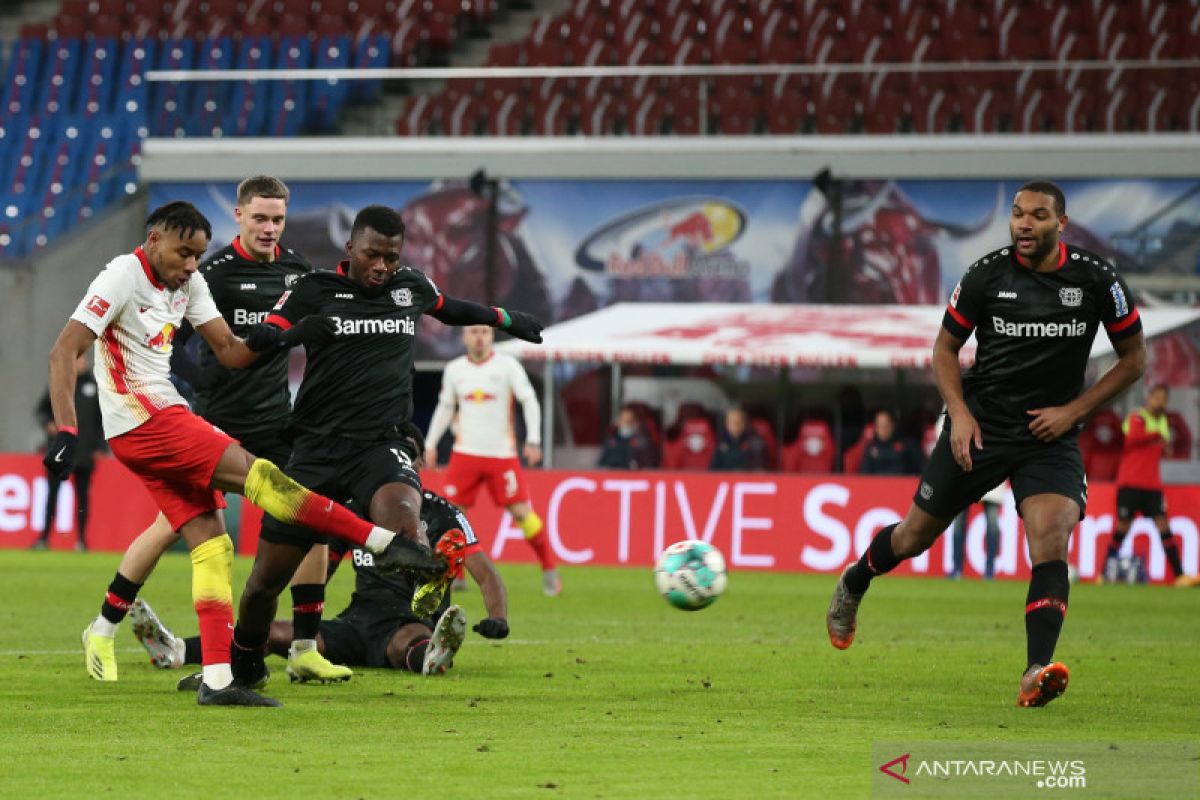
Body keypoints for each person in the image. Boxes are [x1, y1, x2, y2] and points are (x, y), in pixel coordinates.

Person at [46, 200, 446, 707]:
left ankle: (215, 680)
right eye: (182, 253)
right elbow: (64, 350)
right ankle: (385, 542)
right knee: (272, 485)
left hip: (162, 419)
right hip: (151, 419)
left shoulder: (190, 283)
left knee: (214, 546)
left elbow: (233, 350)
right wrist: (66, 430)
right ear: (153, 242)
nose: (191, 265)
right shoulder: (123, 274)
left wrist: (295, 334)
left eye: (196, 255)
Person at [825, 180, 1147, 708]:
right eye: (1018, 214)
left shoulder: (1096, 279)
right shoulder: (985, 274)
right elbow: (945, 350)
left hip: (1051, 432)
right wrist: (960, 415)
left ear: (1060, 223)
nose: (1023, 224)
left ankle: (1034, 671)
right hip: (981, 426)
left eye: (1037, 216)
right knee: (911, 538)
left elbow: (1134, 360)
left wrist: (1074, 411)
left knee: (1051, 536)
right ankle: (857, 579)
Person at [227, 204, 543, 692]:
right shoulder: (315, 288)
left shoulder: (409, 285)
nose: (381, 267)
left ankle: (416, 565)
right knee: (265, 582)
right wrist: (275, 335)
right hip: (314, 449)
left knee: (401, 507)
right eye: (373, 255)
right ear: (350, 248)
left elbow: (452, 307)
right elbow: (272, 327)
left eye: (391, 258)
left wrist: (506, 319)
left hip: (382, 442)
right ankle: (243, 665)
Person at [83, 175, 352, 687]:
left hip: (274, 419)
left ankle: (302, 648)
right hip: (215, 420)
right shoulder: (212, 272)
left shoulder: (297, 272)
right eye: (260, 219)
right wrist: (192, 374)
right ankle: (106, 624)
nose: (269, 228)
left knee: (308, 514)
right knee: (171, 527)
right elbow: (169, 336)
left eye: (277, 219)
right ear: (239, 216)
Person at [131, 429, 510, 680]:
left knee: (405, 644)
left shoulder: (443, 513)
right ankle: (177, 650)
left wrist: (498, 618)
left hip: (407, 621)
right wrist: (303, 619)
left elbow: (485, 573)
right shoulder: (360, 507)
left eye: (405, 458)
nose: (396, 466)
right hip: (355, 623)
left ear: (419, 465)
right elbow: (323, 566)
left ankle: (432, 656)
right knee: (276, 633)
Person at [425, 323, 561, 596]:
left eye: (485, 332)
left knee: (522, 514)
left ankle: (549, 570)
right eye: (474, 332)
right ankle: (458, 575)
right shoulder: (455, 370)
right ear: (464, 337)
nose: (479, 337)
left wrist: (533, 439)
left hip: (501, 454)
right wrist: (430, 442)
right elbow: (446, 406)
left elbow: (529, 399)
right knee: (453, 515)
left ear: (492, 336)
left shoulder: (507, 366)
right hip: (465, 453)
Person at [1105, 385, 1195, 587]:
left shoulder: (1162, 421)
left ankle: (1180, 576)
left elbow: (1160, 448)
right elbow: (1133, 439)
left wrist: (1165, 446)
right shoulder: (1137, 417)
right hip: (1130, 482)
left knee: (1164, 526)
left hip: (1152, 485)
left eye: (1164, 398)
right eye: (1157, 397)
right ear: (1149, 397)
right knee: (1123, 527)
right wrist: (1158, 438)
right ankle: (1105, 572)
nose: (1160, 402)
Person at [34, 352, 104, 551]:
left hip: (84, 453)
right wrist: (47, 423)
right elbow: (42, 410)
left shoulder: (96, 386)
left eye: (82, 359)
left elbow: (102, 420)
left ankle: (81, 540)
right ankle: (44, 538)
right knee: (52, 495)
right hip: (60, 450)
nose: (79, 363)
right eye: (76, 359)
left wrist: (100, 446)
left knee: (82, 497)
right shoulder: (60, 383)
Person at [948, 481, 1005, 580]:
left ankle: (990, 570)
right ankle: (956, 568)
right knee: (958, 524)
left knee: (992, 526)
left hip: (993, 476)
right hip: (966, 477)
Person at [858, 409, 924, 475]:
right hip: (878, 484)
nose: (883, 428)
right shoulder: (870, 448)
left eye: (887, 424)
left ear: (893, 425)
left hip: (903, 483)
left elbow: (922, 468)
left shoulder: (909, 444)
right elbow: (864, 474)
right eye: (880, 425)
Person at [597, 405, 659, 469]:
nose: (626, 423)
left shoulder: (642, 442)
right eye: (623, 419)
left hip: (635, 476)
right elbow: (602, 463)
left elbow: (650, 465)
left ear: (635, 422)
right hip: (613, 475)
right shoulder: (611, 441)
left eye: (629, 420)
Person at [709, 406, 770, 471]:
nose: (736, 425)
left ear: (745, 423)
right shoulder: (721, 444)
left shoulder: (755, 443)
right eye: (732, 422)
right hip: (725, 480)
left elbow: (759, 469)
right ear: (726, 424)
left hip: (746, 479)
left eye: (739, 421)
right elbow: (713, 470)